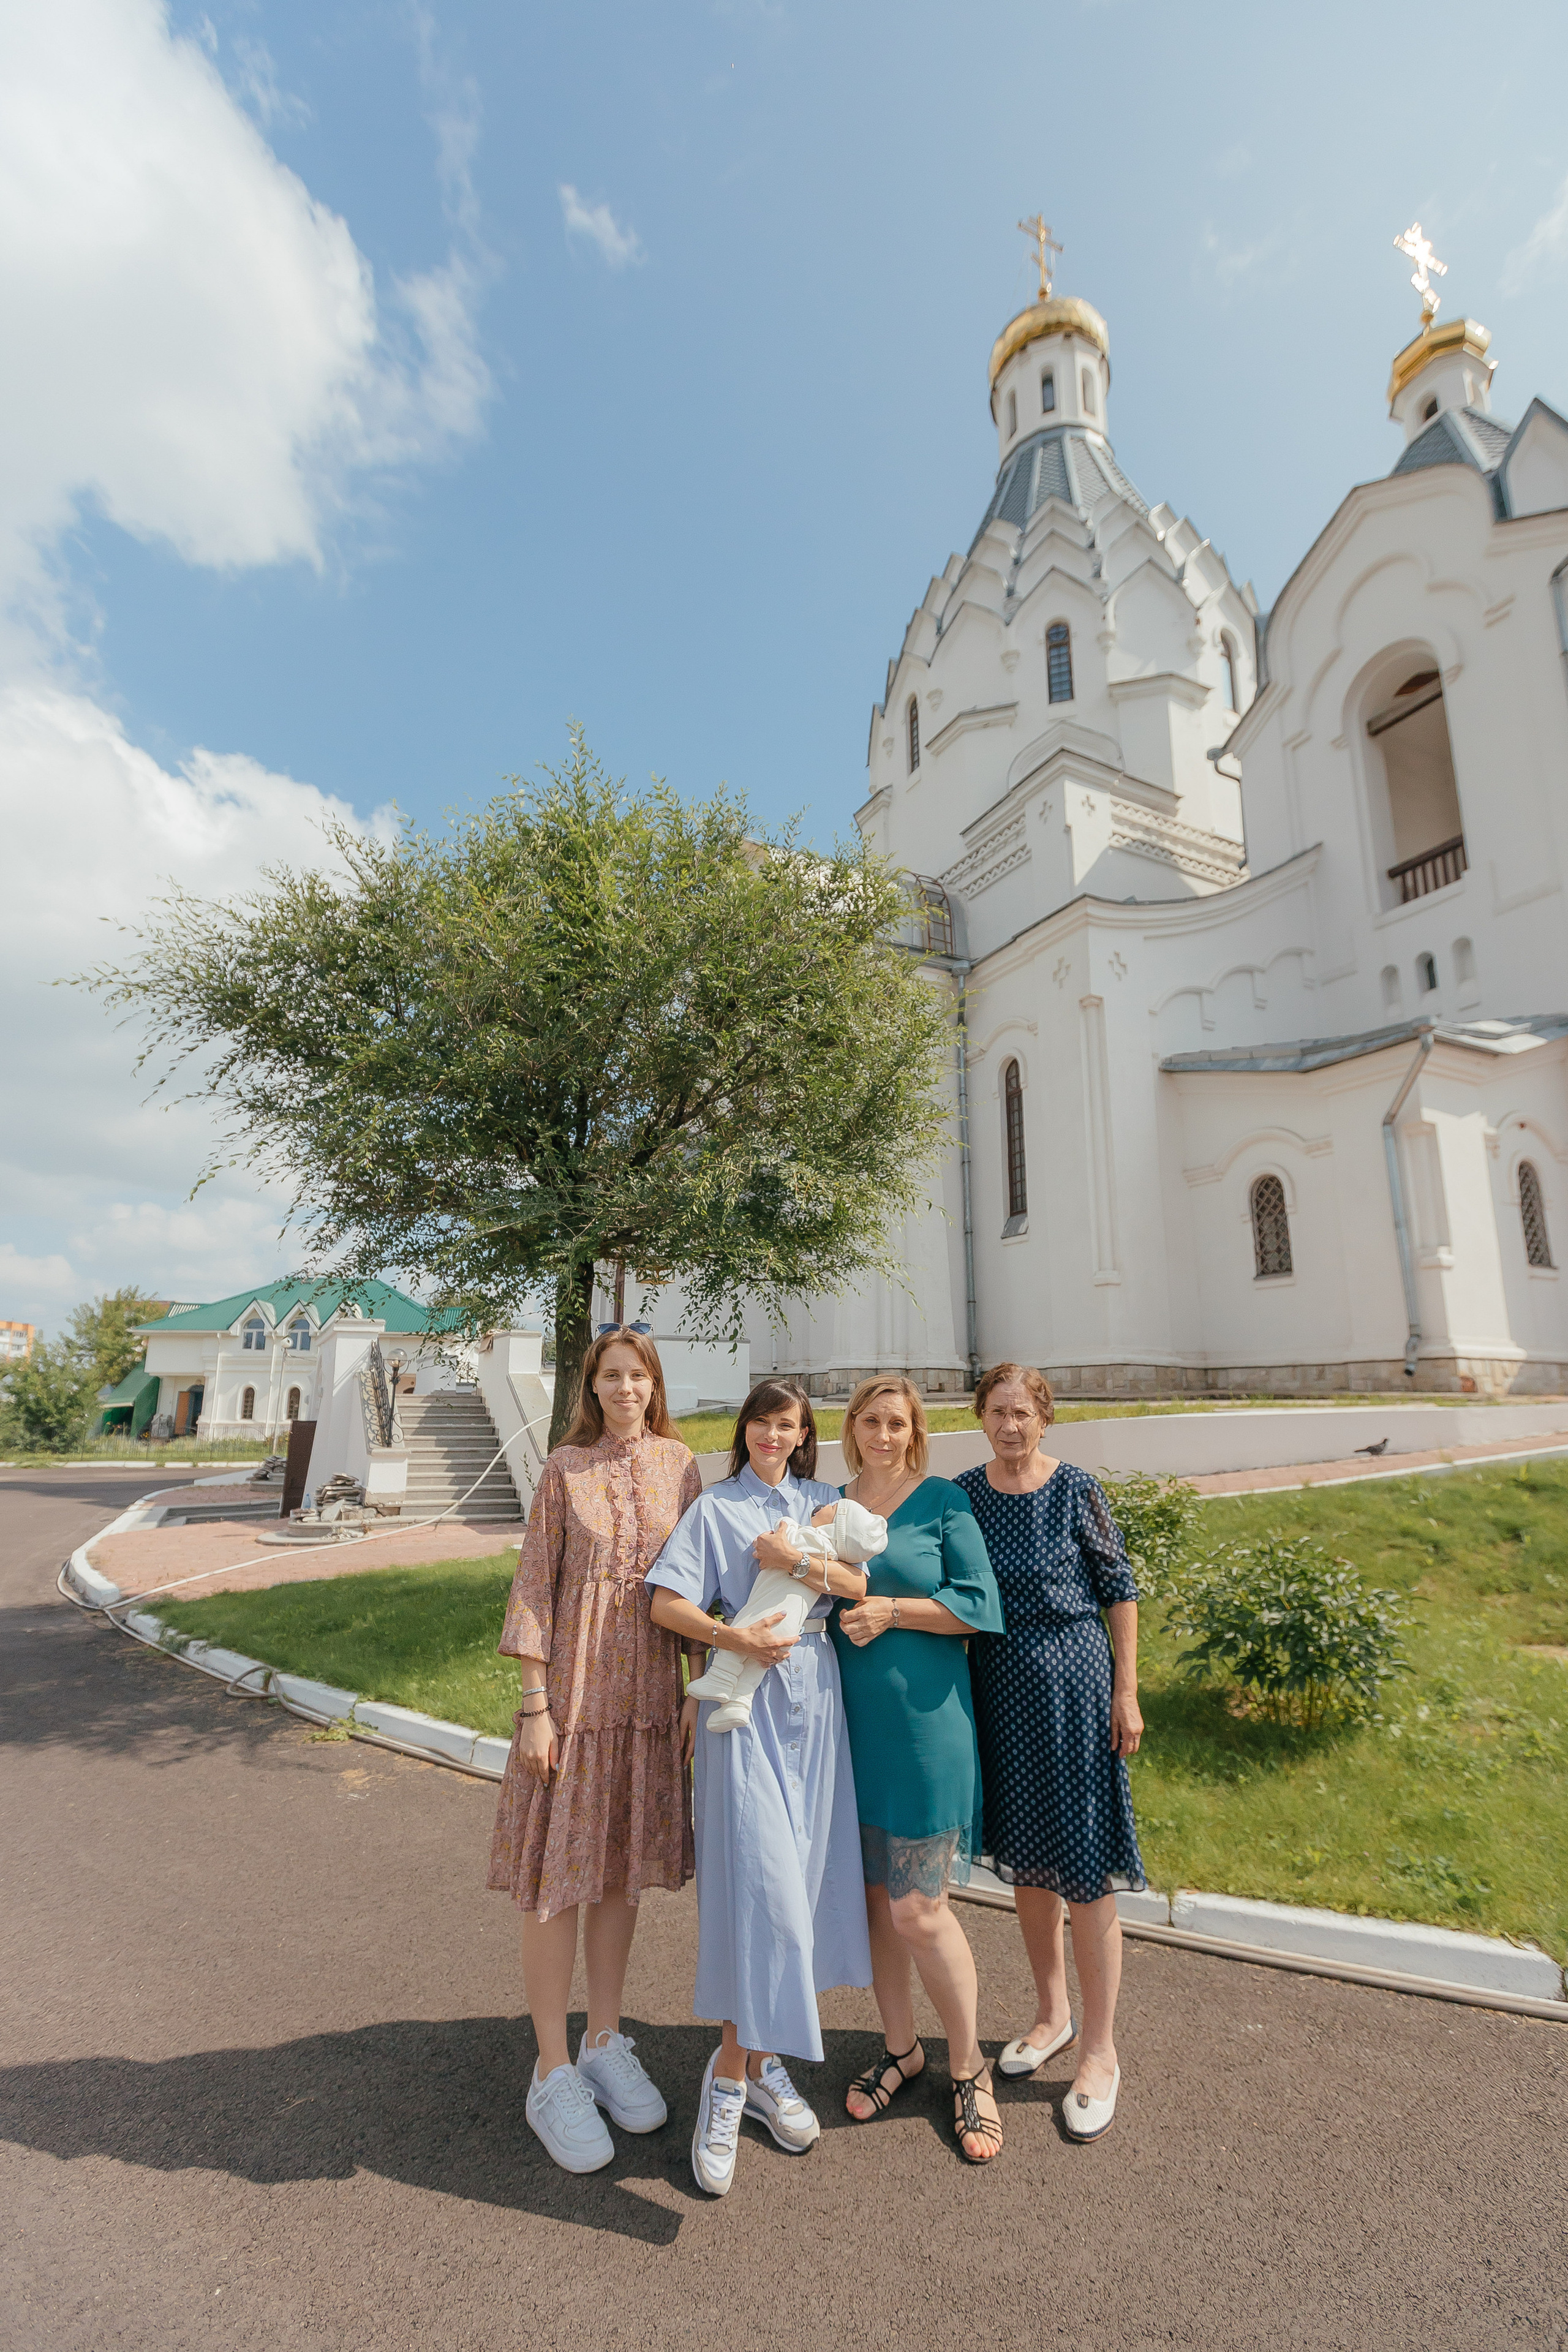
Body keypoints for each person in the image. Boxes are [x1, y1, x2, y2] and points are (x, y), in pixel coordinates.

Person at [766, 1374, 1006, 2165]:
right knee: (875, 1905)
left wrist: (893, 1611)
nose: (883, 1434)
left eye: (897, 1423)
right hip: (846, 1730)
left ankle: (968, 2067)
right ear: (852, 1428)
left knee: (918, 1910)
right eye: (871, 1421)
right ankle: (901, 2050)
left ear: (914, 1432)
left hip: (926, 1732)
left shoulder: (942, 1502)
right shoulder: (827, 1505)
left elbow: (979, 1605)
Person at [646, 1379, 873, 2198]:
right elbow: (666, 1604)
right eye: (761, 1424)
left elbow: (857, 1586)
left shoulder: (822, 1500)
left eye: (788, 1425)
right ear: (743, 1430)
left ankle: (761, 2062)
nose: (773, 1436)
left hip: (815, 1698)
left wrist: (797, 1561)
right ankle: (729, 2080)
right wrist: (731, 1636)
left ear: (805, 1434)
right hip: (743, 1710)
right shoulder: (715, 1510)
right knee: (760, 1893)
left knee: (801, 1890)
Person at [488, 1329, 703, 2175]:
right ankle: (551, 2070)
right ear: (591, 1387)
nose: (624, 1389)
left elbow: (695, 1586)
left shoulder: (680, 1466)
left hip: (648, 1703)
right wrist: (535, 1707)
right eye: (610, 1376)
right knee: (555, 1880)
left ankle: (605, 2040)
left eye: (637, 1375)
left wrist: (697, 1691)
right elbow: (533, 1589)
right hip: (573, 1705)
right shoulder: (564, 1469)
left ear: (654, 1385)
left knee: (618, 1870)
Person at [956, 1362, 1145, 2144]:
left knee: (1085, 1866)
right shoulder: (965, 1495)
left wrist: (1126, 1690)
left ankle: (1100, 2051)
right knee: (1030, 1863)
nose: (1010, 1425)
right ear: (981, 1417)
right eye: (997, 1412)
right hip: (1000, 1693)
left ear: (1044, 1418)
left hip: (1073, 1688)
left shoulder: (1074, 1491)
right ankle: (1052, 2014)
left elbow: (1118, 1588)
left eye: (1022, 1412)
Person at [684, 1496, 889, 1730]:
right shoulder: (832, 1557)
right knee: (757, 1666)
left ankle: (720, 1676)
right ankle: (739, 1703)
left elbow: (785, 1539)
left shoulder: (816, 1539)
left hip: (770, 1610)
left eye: (833, 1508)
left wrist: (785, 1527)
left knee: (743, 1627)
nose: (825, 1506)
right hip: (791, 1626)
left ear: (835, 1528)